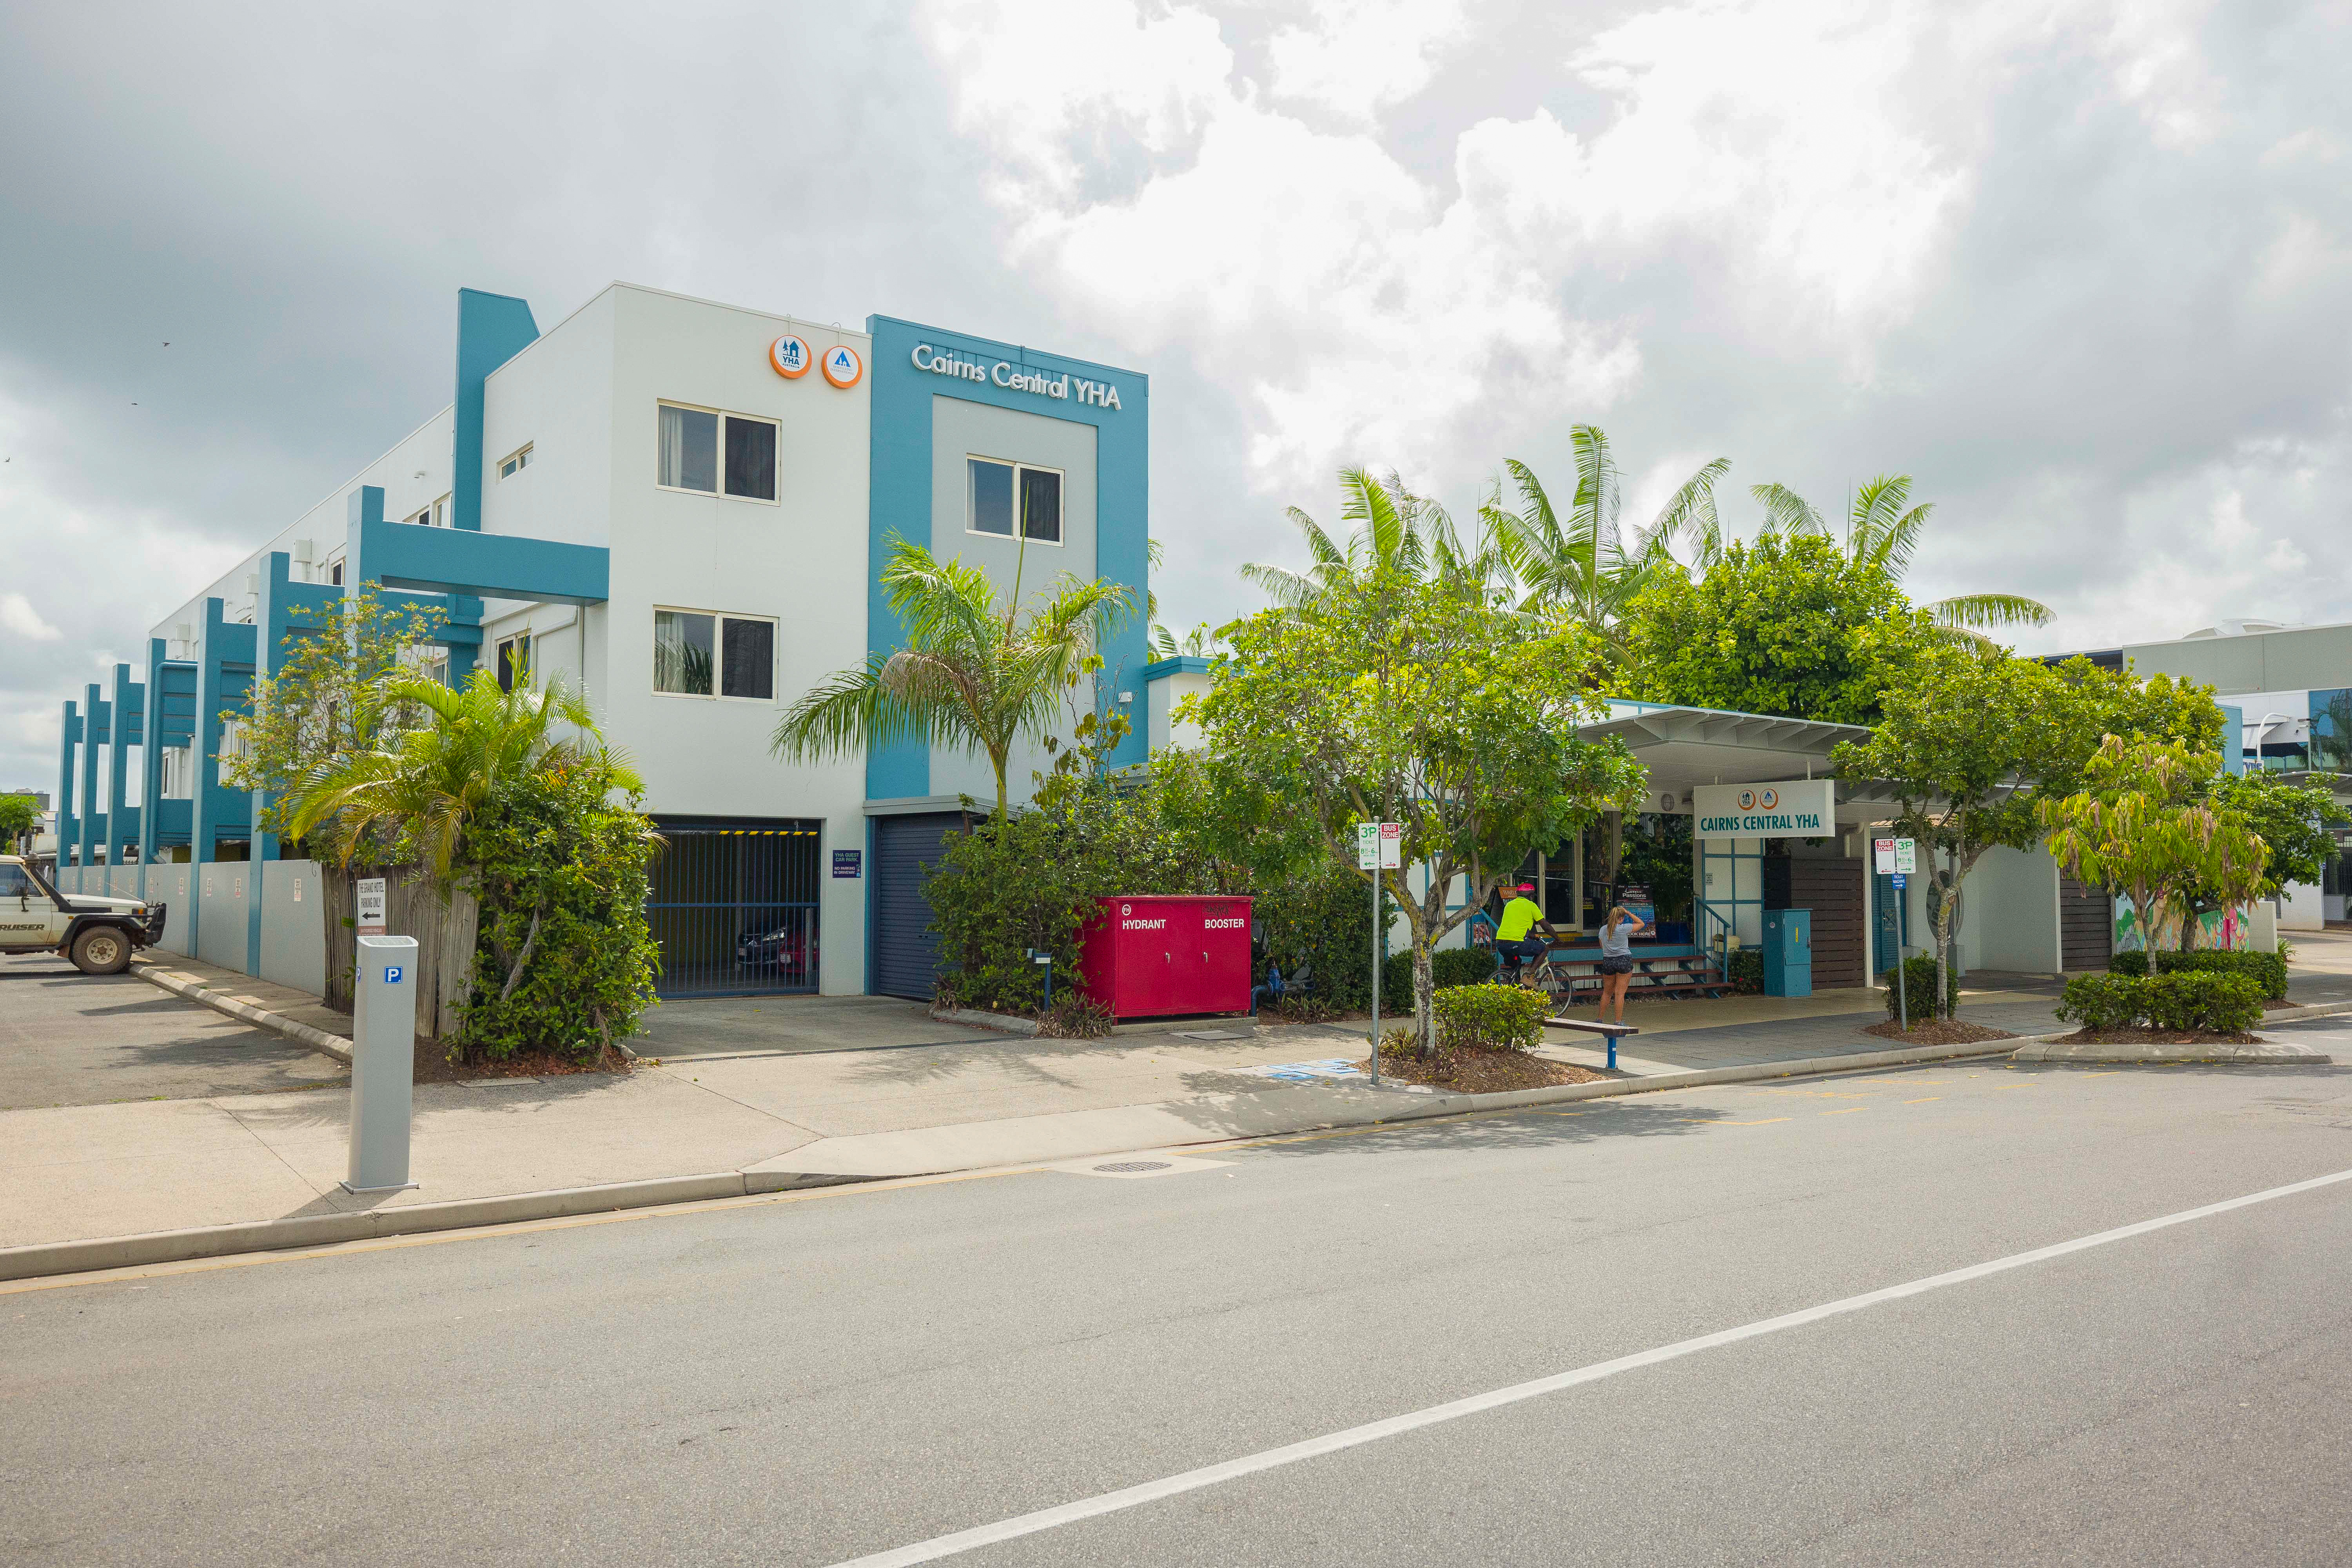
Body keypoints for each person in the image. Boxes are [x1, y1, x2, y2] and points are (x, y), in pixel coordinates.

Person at [1595, 901, 1651, 1022]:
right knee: (1620, 993)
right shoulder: (1624, 928)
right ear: (1621, 919)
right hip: (1623, 960)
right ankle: (1618, 1021)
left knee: (1607, 993)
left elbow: (1602, 947)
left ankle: (1600, 1019)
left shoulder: (1602, 930)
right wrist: (1628, 913)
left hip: (1608, 961)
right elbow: (1641, 924)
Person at [1494, 882, 1549, 986]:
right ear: (1531, 896)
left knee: (1516, 963)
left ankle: (1513, 983)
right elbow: (1545, 926)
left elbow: (1516, 928)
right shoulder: (1531, 905)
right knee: (1544, 949)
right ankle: (1528, 977)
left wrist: (1533, 936)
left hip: (1501, 944)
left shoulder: (1509, 905)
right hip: (1517, 943)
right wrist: (1558, 938)